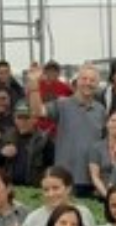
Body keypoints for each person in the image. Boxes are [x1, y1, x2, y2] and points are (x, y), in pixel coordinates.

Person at [28, 62, 107, 198]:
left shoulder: (101, 110)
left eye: (92, 80)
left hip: (93, 180)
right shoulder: (62, 104)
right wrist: (34, 84)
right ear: (77, 81)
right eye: (84, 79)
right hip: (65, 179)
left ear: (97, 84)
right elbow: (37, 111)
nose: (88, 83)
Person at [90, 109, 116, 200]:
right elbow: (95, 177)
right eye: (113, 121)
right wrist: (107, 196)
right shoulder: (96, 148)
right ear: (107, 123)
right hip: (103, 195)